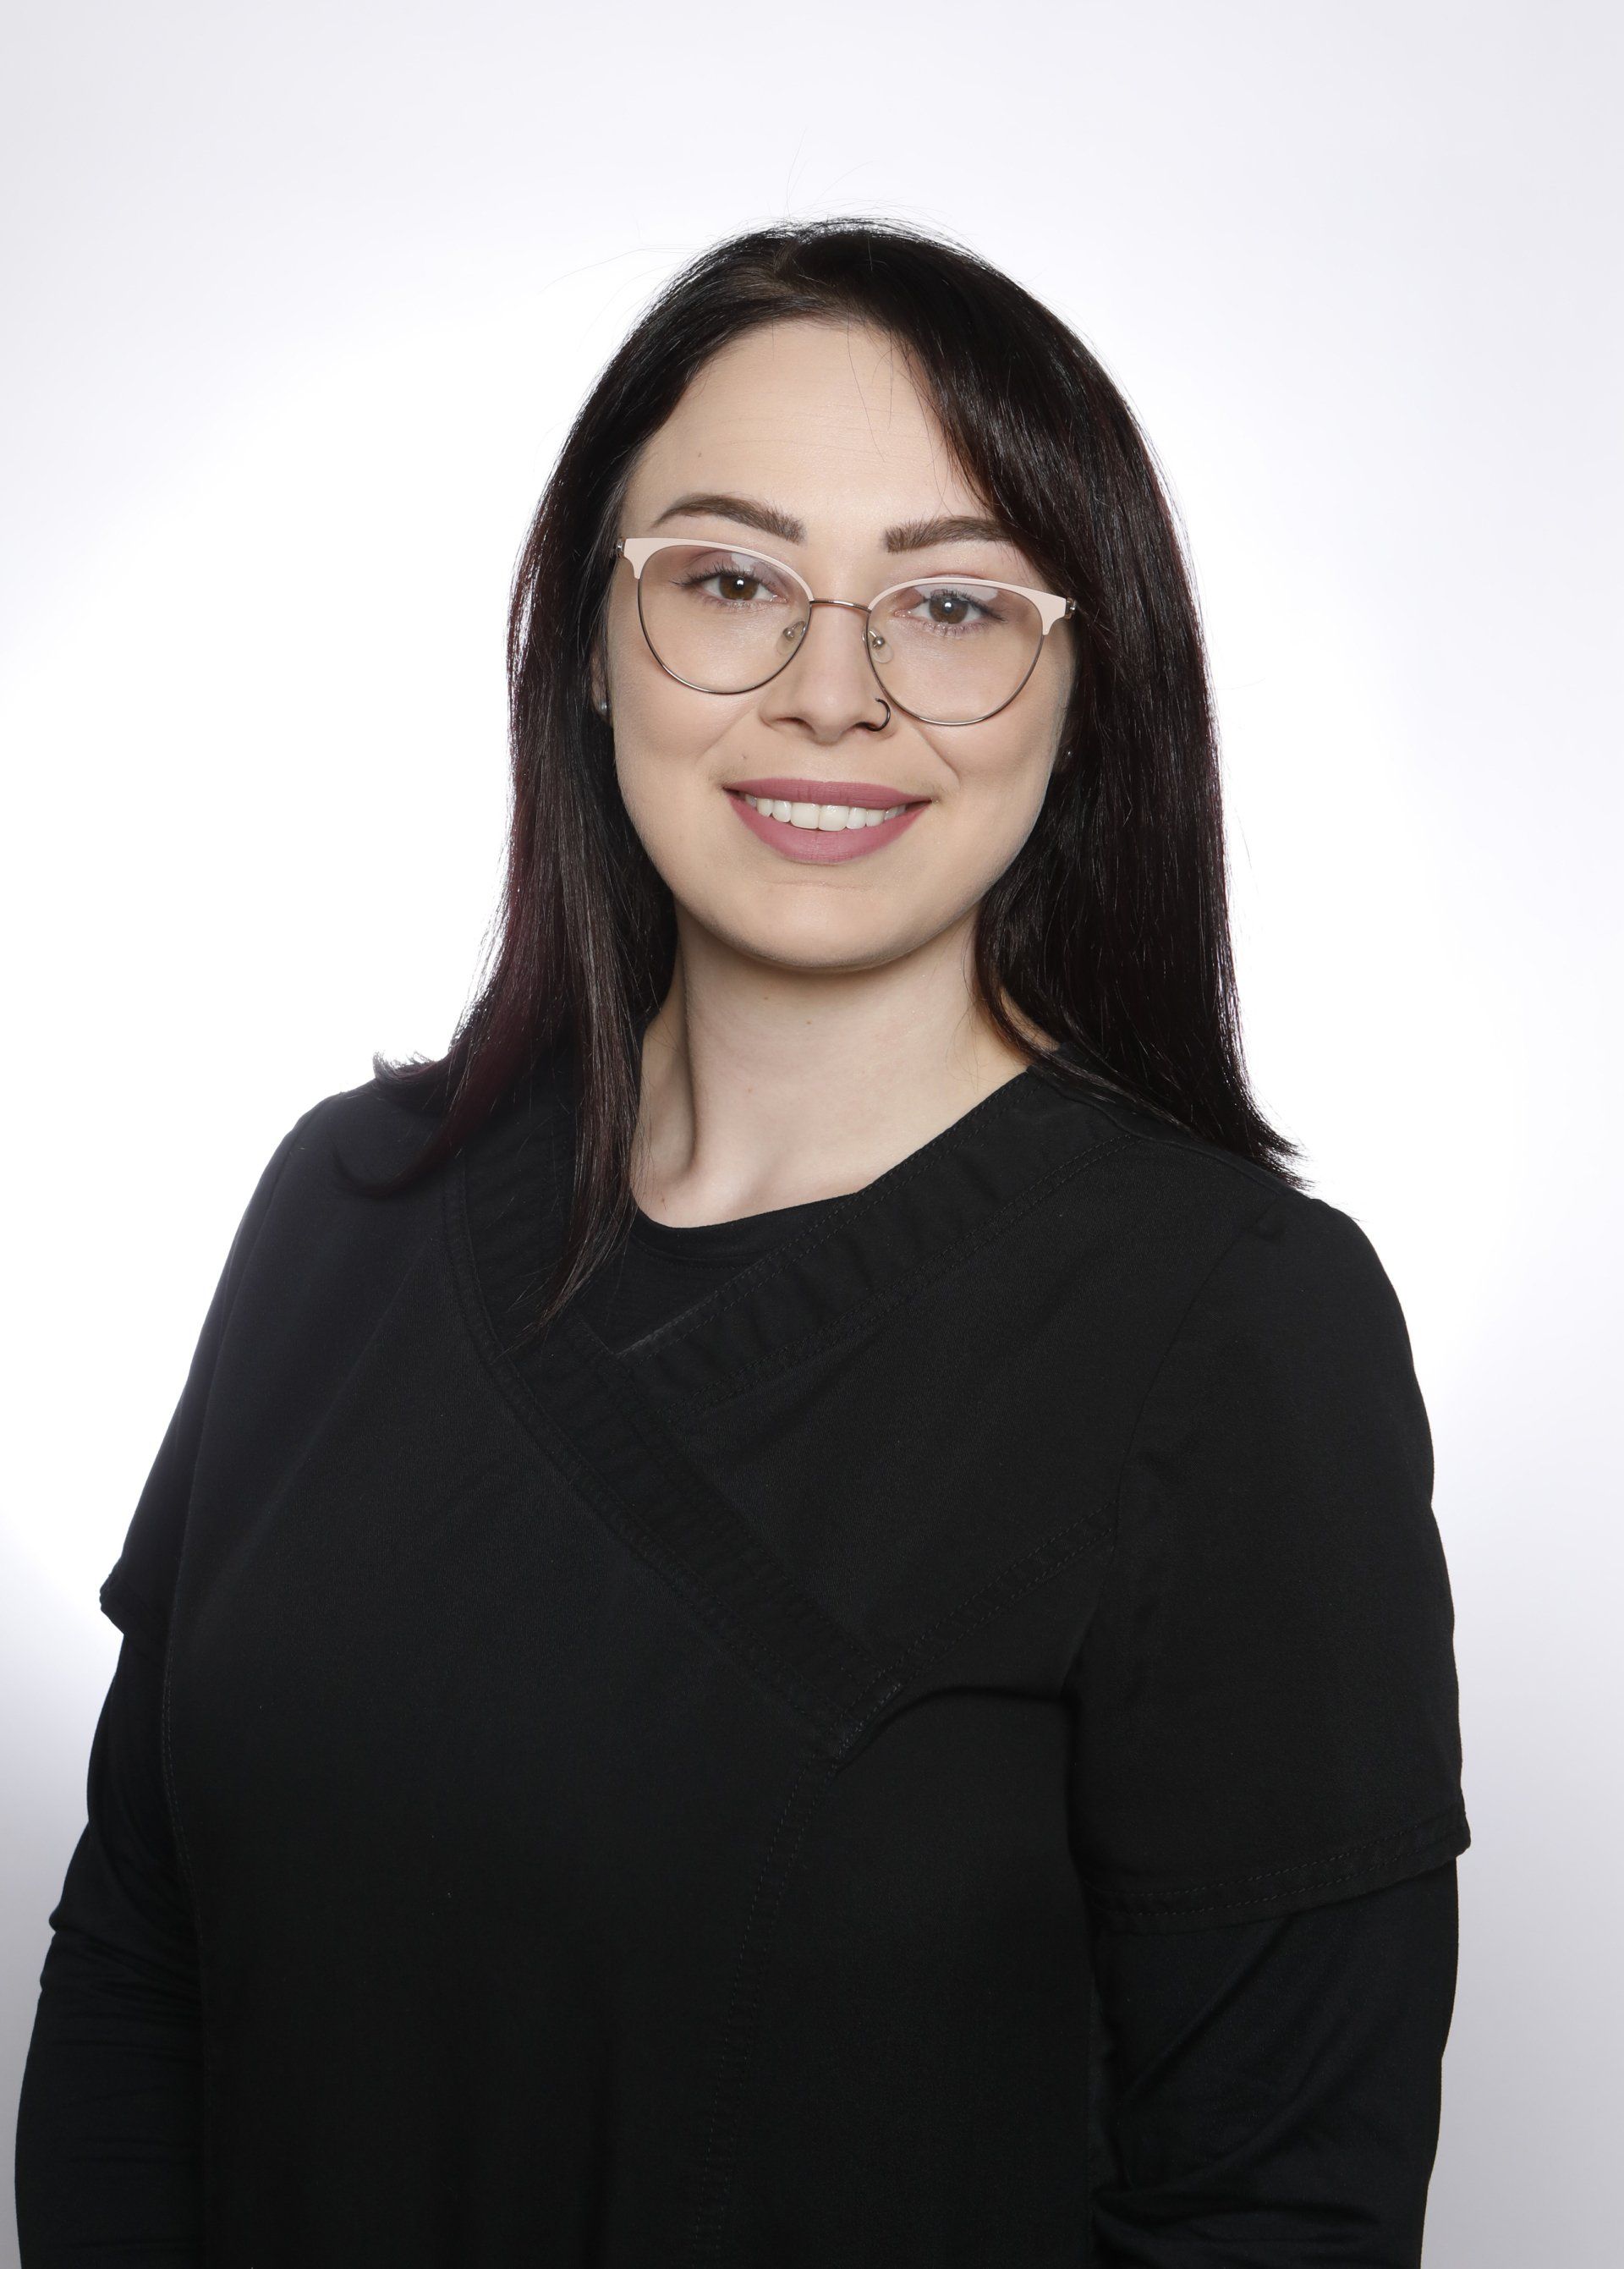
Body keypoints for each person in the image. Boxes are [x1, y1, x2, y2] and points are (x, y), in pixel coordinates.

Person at [14, 218, 1469, 2266]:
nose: (832, 692)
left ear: (1089, 682)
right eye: (730, 580)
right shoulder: (341, 1215)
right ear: (590, 648)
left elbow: (1273, 2204)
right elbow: (140, 1960)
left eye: (951, 604)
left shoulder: (1232, 1330)